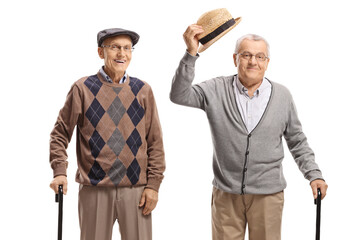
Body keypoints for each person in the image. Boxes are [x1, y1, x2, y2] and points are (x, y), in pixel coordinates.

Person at [170, 24, 328, 240]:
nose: (253, 61)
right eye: (246, 55)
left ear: (267, 63)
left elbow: (297, 141)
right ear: (235, 59)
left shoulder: (282, 96)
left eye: (260, 56)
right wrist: (191, 53)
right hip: (226, 194)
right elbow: (179, 95)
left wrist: (314, 175)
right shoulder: (215, 89)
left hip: (268, 195)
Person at [49, 28, 165, 240]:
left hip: (136, 190)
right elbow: (60, 133)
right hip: (95, 188)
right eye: (115, 48)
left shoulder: (143, 90)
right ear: (101, 52)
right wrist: (59, 171)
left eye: (127, 48)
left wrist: (153, 186)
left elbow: (155, 142)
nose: (122, 54)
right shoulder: (82, 88)